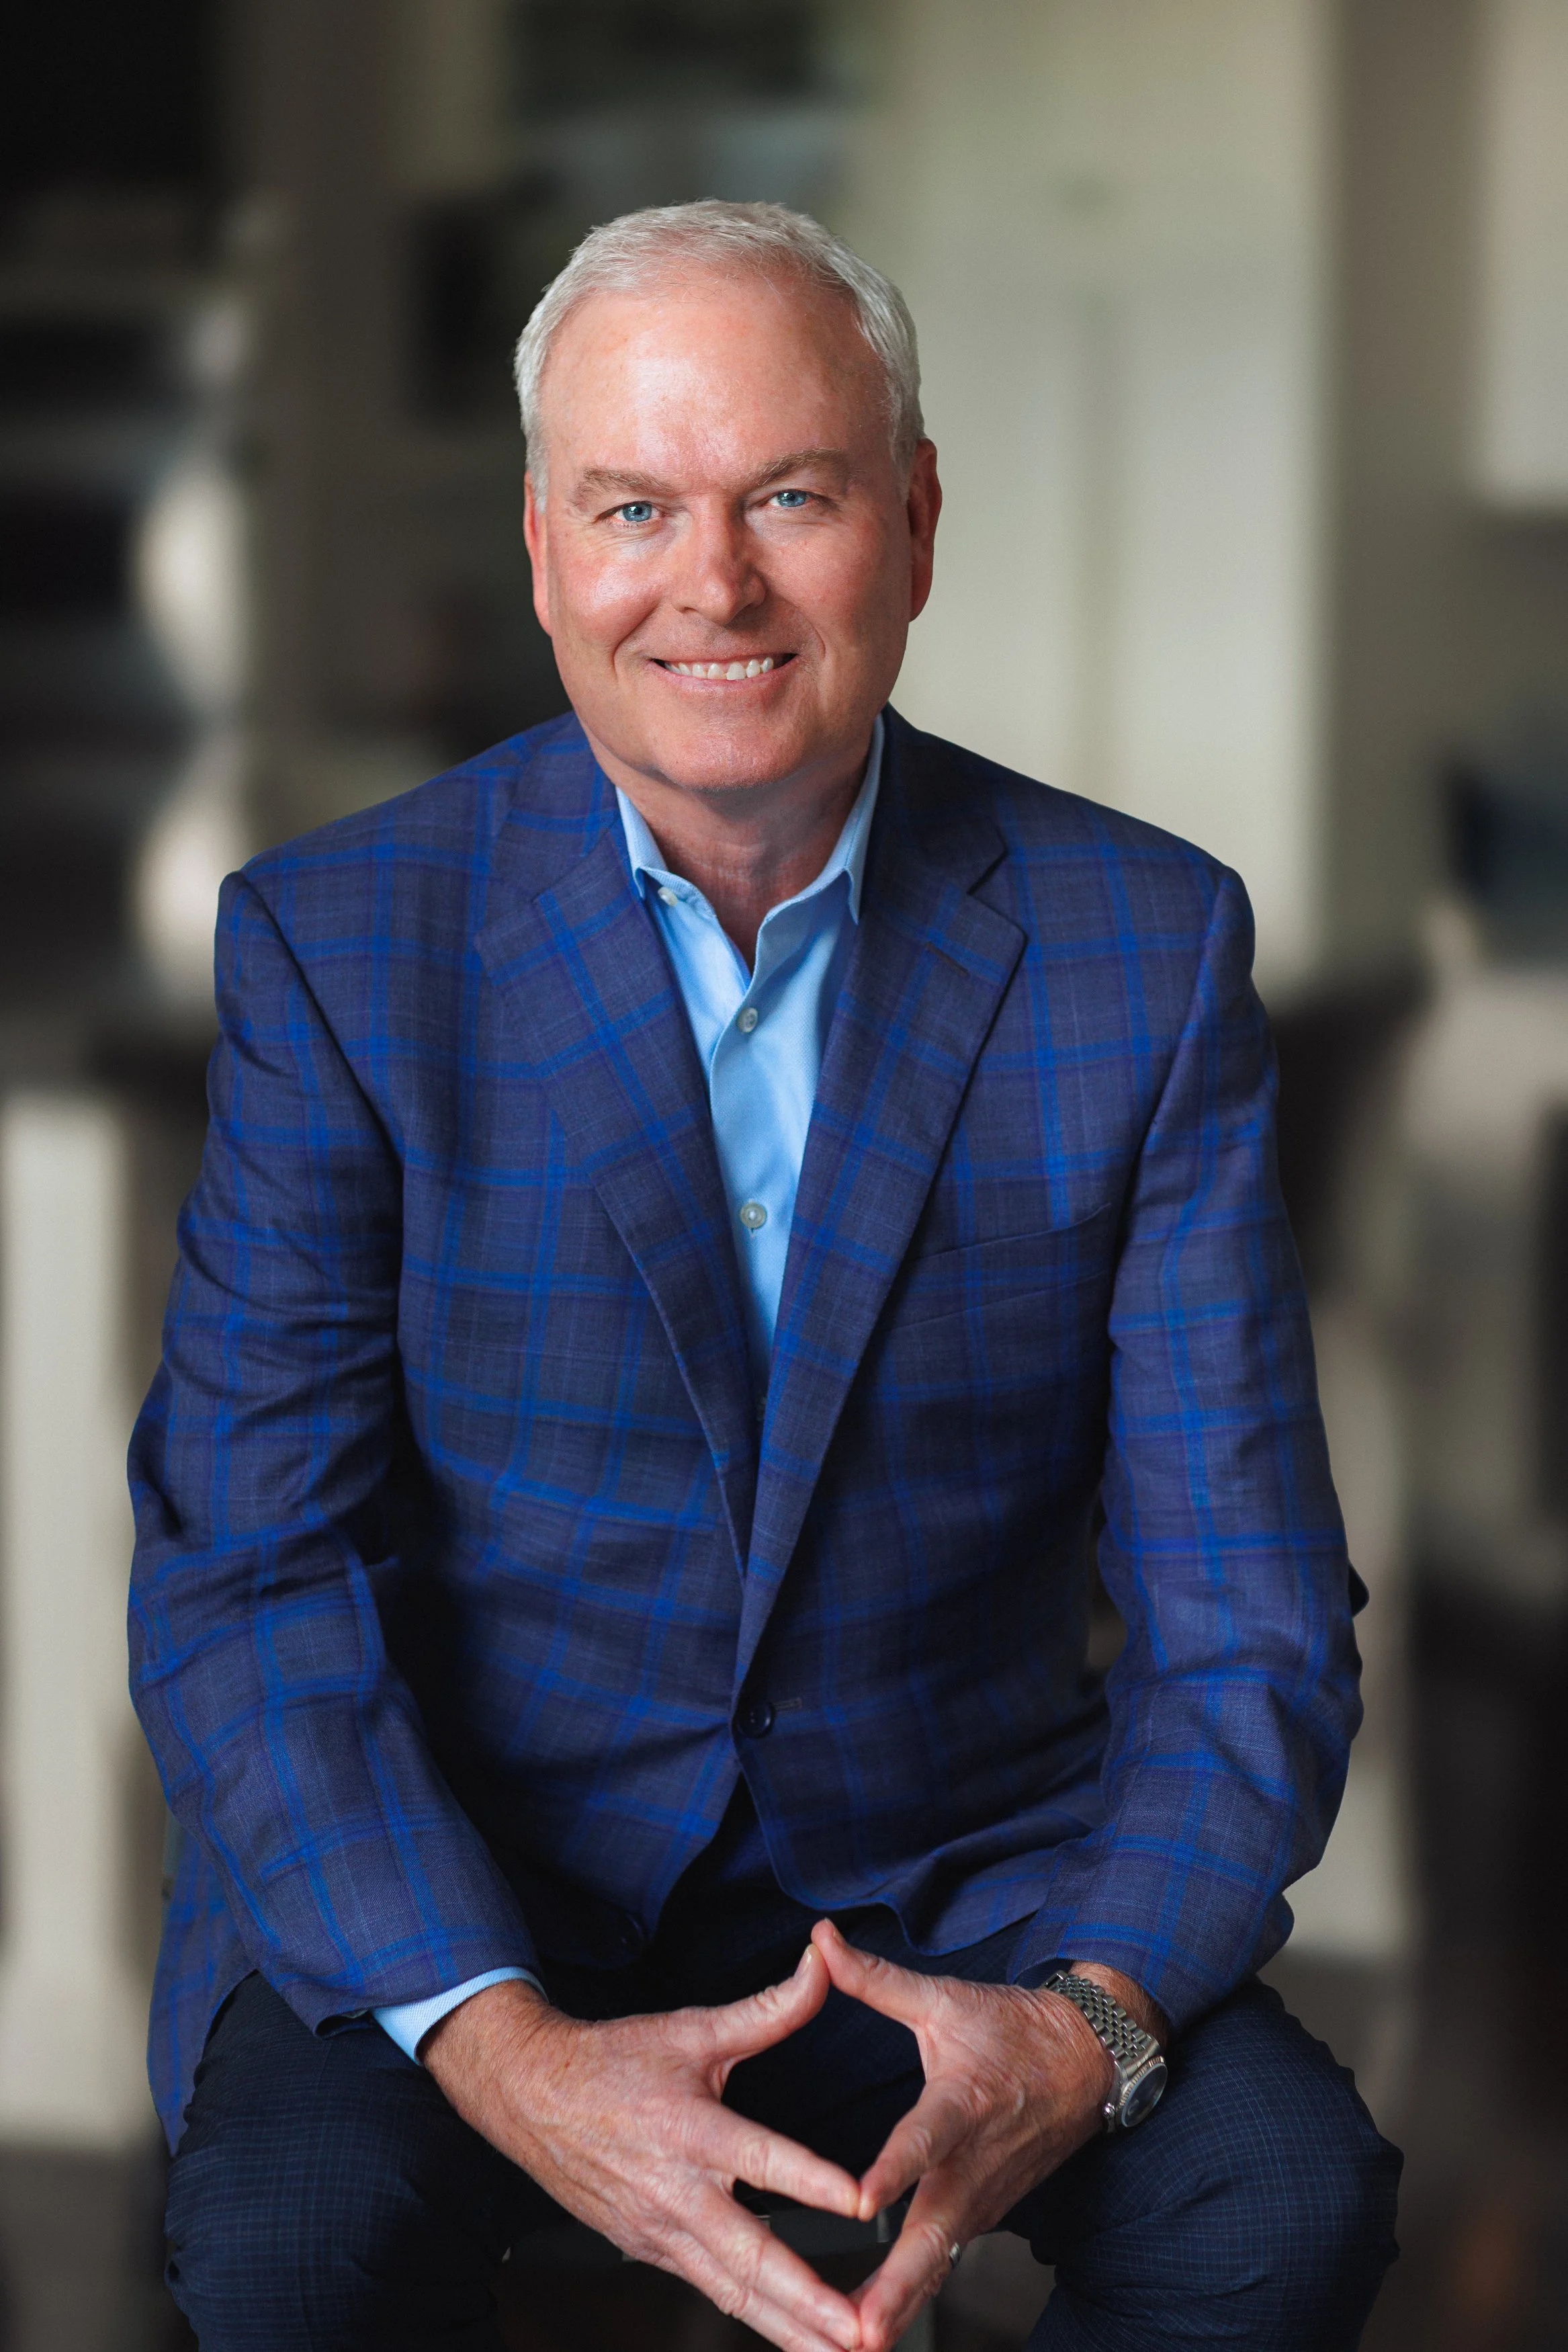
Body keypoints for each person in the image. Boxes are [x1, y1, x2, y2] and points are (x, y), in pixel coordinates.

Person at [130, 200, 1400, 2352]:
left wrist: (1081, 2024)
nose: (708, 585)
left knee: (1278, 2204)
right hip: (479, 1879)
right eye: (632, 506)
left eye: (788, 497)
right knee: (284, 2243)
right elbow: (251, 1576)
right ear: (544, 549)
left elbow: (1250, 1611)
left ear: (909, 524)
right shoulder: (343, 951)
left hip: (959, 1890)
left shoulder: (1141, 946)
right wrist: (509, 2047)